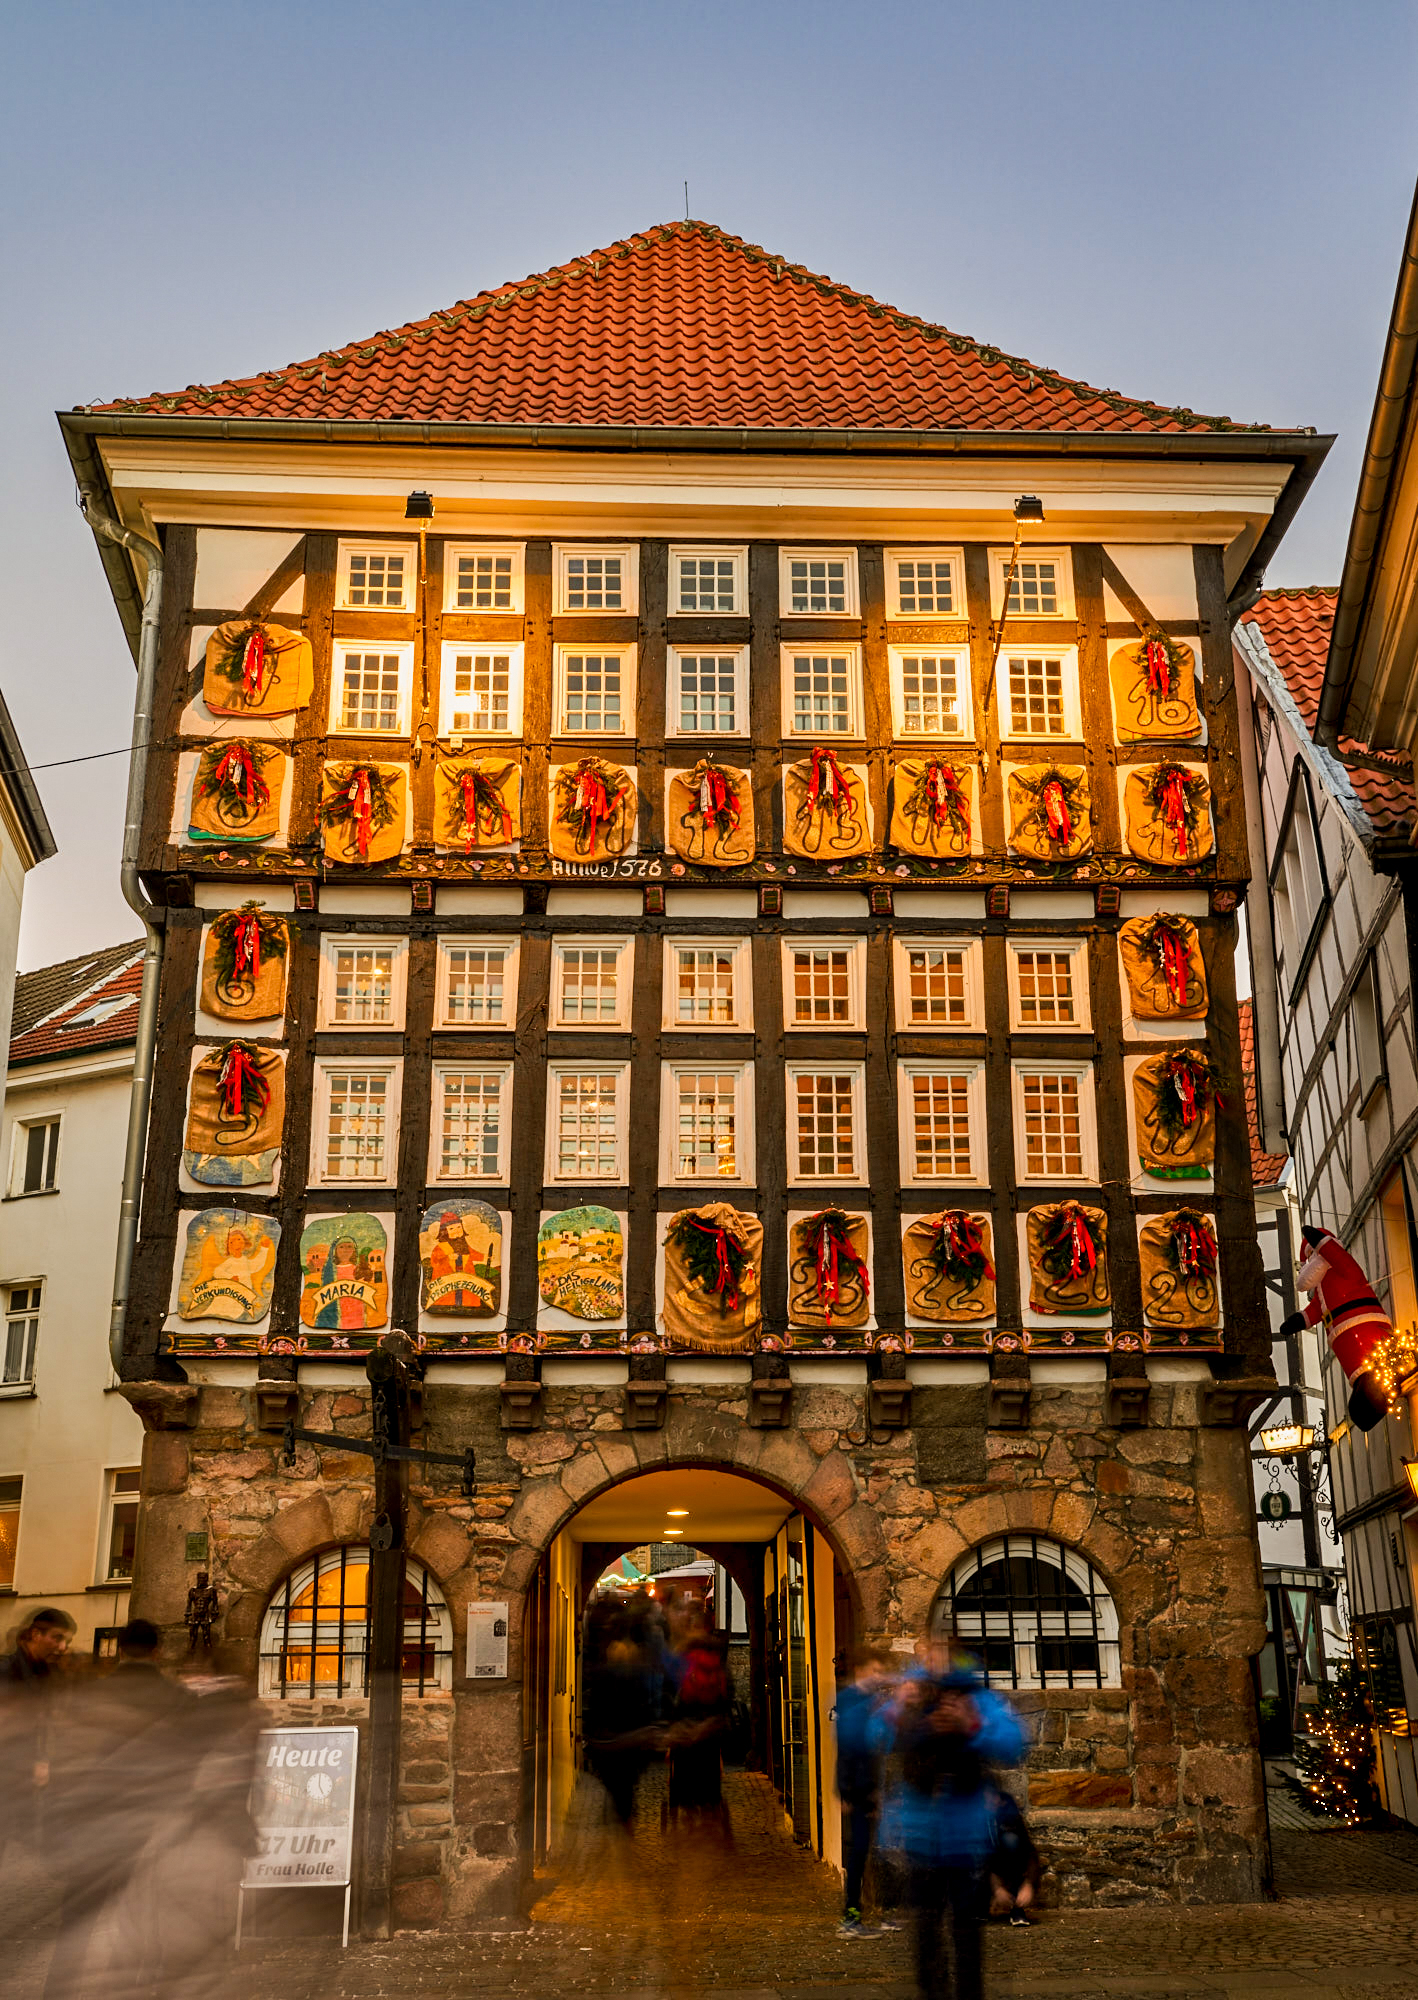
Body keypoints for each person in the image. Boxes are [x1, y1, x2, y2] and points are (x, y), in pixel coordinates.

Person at [42, 1618, 196, 2000]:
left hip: (94, 1826)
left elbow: (65, 1764)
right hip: (154, 1829)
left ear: (121, 1650)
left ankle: (56, 1994)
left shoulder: (89, 1695)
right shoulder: (180, 1700)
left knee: (76, 1924)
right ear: (158, 1651)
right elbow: (192, 1769)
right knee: (147, 1926)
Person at [873, 1654, 1026, 2000]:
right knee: (926, 1930)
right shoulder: (912, 1694)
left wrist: (970, 1725)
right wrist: (901, 1708)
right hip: (920, 1837)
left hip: (965, 1839)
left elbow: (1013, 1744)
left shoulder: (976, 1698)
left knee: (967, 1931)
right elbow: (875, 1735)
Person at [834, 1644, 897, 1937]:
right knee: (858, 1852)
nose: (880, 1676)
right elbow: (850, 1750)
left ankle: (873, 1912)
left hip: (867, 1787)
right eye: (875, 1670)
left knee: (870, 1850)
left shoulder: (869, 1701)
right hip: (859, 1789)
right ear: (862, 1671)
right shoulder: (851, 1701)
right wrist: (852, 1791)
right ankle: (851, 1916)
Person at [0, 1608, 76, 1849]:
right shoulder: (7, 1673)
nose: (62, 1647)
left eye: (66, 1641)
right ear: (35, 1634)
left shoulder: (43, 1672)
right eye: (57, 1638)